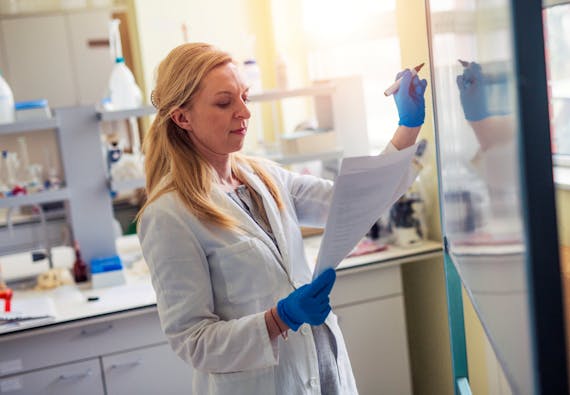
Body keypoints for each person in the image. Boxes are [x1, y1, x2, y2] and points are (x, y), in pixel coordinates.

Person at [137, 42, 427, 395]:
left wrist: (407, 127)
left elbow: (354, 202)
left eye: (245, 97)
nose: (244, 112)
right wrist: (280, 319)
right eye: (225, 102)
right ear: (182, 117)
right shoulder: (168, 215)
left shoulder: (266, 178)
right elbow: (193, 343)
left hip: (323, 371)